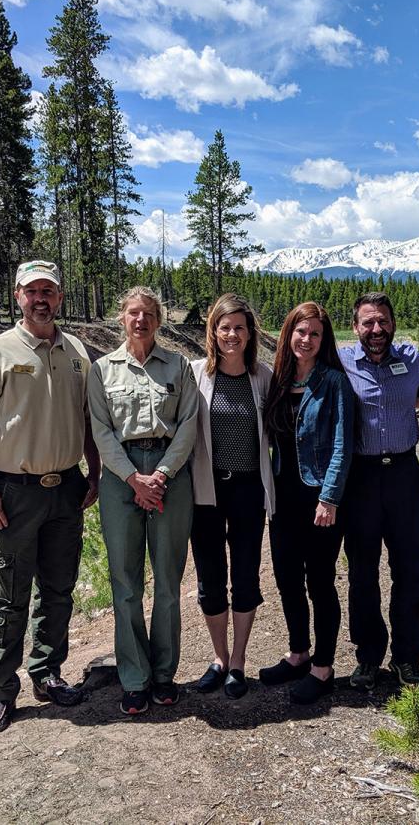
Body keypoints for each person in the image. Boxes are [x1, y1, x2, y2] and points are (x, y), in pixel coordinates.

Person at [0, 259, 100, 734]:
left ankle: (47, 672)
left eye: (50, 291)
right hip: (14, 494)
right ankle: (1, 692)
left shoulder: (77, 352)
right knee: (8, 595)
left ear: (60, 298)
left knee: (58, 591)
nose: (42, 299)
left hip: (66, 489)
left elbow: (88, 422)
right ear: (17, 295)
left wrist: (95, 473)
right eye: (33, 291)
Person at [88, 286, 198, 716]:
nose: (141, 320)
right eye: (133, 313)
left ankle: (165, 674)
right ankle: (134, 678)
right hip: (121, 477)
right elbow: (100, 430)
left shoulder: (179, 366)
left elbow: (188, 423)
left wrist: (162, 475)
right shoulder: (102, 370)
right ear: (122, 318)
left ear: (159, 319)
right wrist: (134, 478)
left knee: (169, 583)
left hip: (170, 474)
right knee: (126, 584)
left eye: (149, 313)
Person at [338, 292, 419, 691]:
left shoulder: (414, 360)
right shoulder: (342, 362)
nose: (376, 330)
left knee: (409, 570)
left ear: (393, 324)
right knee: (362, 571)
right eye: (368, 323)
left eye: (382, 322)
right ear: (356, 327)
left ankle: (407, 657)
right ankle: (367, 656)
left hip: (403, 474)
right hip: (360, 478)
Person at [258, 302, 356, 704]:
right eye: (301, 332)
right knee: (286, 579)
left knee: (319, 581)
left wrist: (330, 497)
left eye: (315, 334)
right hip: (282, 496)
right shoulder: (277, 380)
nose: (307, 339)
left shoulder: (334, 382)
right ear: (289, 334)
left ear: (324, 339)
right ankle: (298, 652)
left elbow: (341, 444)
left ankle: (323, 666)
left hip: (319, 499)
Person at [188, 294, 275, 700]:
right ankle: (219, 657)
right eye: (225, 327)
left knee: (245, 574)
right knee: (209, 578)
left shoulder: (264, 377)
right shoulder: (195, 376)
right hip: (206, 489)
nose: (232, 334)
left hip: (247, 490)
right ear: (213, 331)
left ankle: (239, 661)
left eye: (239, 327)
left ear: (249, 332)